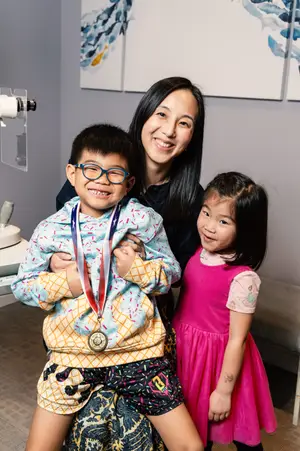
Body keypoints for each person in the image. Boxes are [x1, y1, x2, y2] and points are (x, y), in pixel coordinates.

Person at [12, 124, 204, 451]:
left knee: (189, 445)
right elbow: (23, 287)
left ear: (129, 183)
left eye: (114, 173)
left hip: (139, 354)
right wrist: (65, 282)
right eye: (91, 169)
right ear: (71, 174)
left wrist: (138, 270)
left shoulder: (144, 221)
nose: (102, 179)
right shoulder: (51, 230)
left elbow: (172, 272)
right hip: (72, 356)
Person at [173, 172, 277, 450]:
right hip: (186, 353)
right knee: (193, 432)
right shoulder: (198, 251)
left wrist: (224, 390)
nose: (209, 226)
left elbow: (237, 339)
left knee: (239, 433)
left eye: (223, 221)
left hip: (220, 362)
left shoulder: (243, 278)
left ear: (245, 228)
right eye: (206, 213)